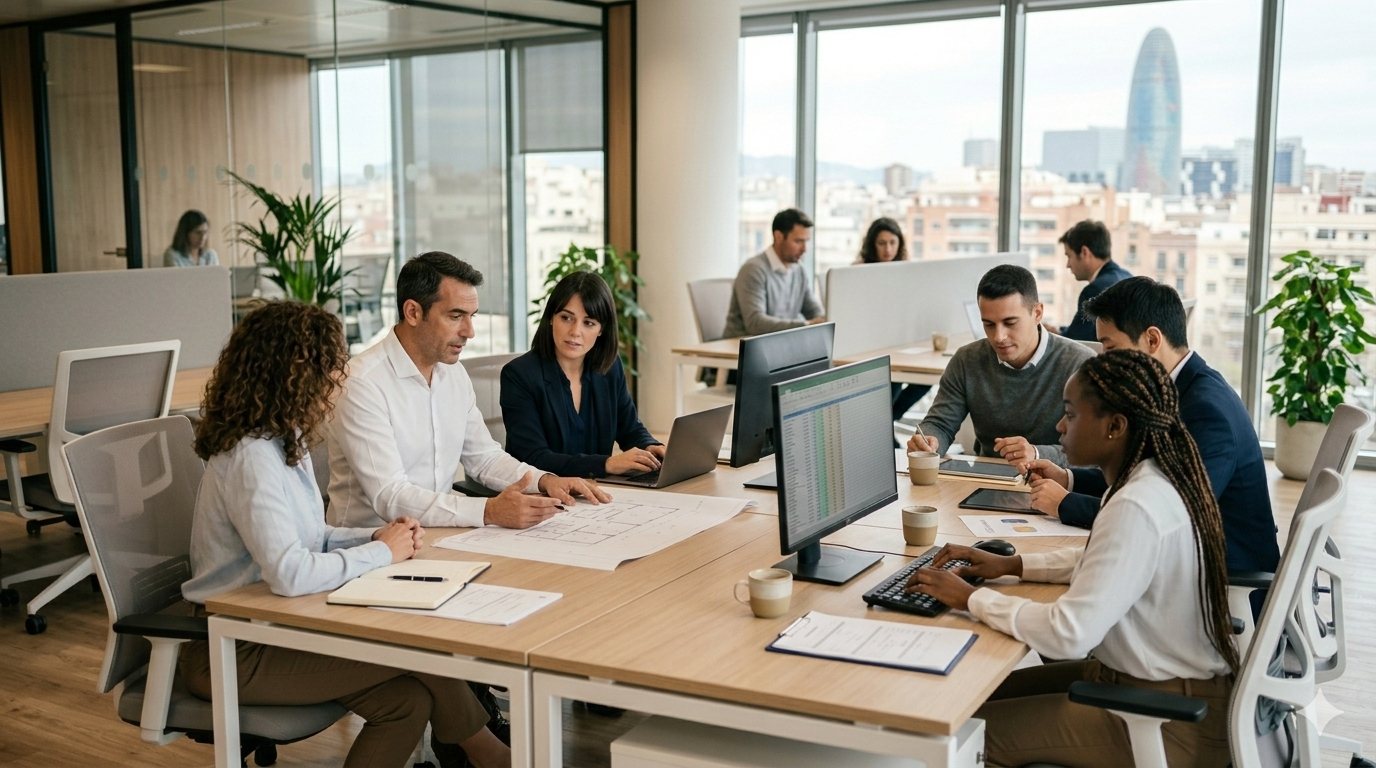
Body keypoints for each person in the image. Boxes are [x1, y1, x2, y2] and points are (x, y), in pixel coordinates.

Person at [178, 301, 510, 768]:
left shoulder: (281, 439)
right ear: (296, 374)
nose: (338, 379)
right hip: (232, 649)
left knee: (406, 702)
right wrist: (382, 554)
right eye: (331, 367)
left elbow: (312, 537)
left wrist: (374, 537)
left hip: (275, 626)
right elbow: (290, 573)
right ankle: (490, 756)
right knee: (418, 648)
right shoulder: (251, 456)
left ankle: (487, 755)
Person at [908, 350, 1237, 767]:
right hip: (1154, 687)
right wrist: (1014, 565)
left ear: (1115, 426)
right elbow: (1105, 557)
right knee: (970, 701)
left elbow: (1070, 634)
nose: (1060, 427)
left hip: (1166, 718)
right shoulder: (1149, 479)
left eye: (1070, 415)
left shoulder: (1136, 504)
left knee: (959, 740)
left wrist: (970, 598)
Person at [327, 251, 611, 532]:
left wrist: (546, 480)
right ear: (413, 312)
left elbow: (485, 458)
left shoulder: (452, 373)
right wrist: (488, 511)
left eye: (471, 316)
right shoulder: (361, 383)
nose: (469, 331)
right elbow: (390, 496)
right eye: (455, 316)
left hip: (438, 533)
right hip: (370, 544)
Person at [1020, 276, 1280, 574]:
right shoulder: (1176, 389)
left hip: (1226, 577)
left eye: (1110, 347)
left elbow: (1169, 513)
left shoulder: (1206, 410)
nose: (1105, 361)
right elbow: (1143, 477)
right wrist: (1068, 479)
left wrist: (1066, 504)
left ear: (1152, 340)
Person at [906, 264, 1093, 467]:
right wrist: (929, 442)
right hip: (987, 477)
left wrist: (1037, 454)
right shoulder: (967, 360)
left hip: (1057, 482)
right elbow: (940, 424)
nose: (998, 337)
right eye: (989, 324)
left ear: (1037, 313)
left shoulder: (1080, 363)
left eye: (1010, 323)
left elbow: (1094, 451)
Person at [501, 271, 664, 477]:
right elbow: (533, 457)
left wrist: (651, 447)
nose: (575, 332)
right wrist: (606, 464)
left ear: (601, 329)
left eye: (589, 323)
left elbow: (630, 429)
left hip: (597, 491)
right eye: (566, 318)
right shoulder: (519, 375)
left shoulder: (609, 367)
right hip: (540, 491)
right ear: (551, 318)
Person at [852, 218, 928, 429]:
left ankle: (882, 425)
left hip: (899, 342)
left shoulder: (904, 271)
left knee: (924, 380)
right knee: (890, 386)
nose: (888, 249)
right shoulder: (858, 271)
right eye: (882, 243)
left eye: (893, 242)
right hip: (869, 346)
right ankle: (883, 428)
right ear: (872, 245)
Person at [722, 208, 825, 339]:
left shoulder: (799, 271)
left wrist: (824, 320)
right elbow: (755, 323)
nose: (805, 249)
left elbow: (813, 310)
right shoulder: (753, 270)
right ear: (778, 237)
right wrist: (805, 325)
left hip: (778, 342)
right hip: (742, 345)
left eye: (806, 241)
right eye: (798, 241)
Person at [1053, 219, 1129, 340]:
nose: (1068, 265)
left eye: (1069, 256)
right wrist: (1059, 331)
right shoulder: (1128, 277)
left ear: (1084, 252)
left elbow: (1077, 341)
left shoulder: (1094, 290)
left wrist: (1048, 336)